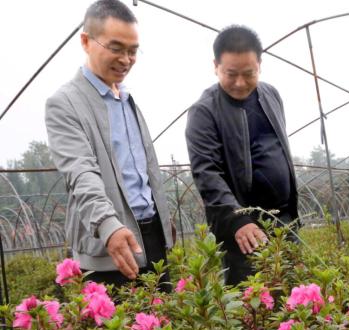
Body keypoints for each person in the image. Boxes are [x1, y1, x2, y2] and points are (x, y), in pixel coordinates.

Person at [45, 0, 173, 291]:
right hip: (110, 243)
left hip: (150, 235)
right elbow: (81, 172)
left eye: (132, 50)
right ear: (86, 41)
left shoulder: (127, 99)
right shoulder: (64, 104)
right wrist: (108, 224)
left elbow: (144, 170)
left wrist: (163, 222)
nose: (126, 59)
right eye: (116, 48)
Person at [186, 25, 299, 286]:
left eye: (249, 74)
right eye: (231, 74)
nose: (240, 83)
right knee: (255, 305)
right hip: (244, 230)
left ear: (259, 64)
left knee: (295, 299)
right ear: (216, 66)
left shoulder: (270, 95)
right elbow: (207, 174)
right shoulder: (204, 112)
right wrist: (239, 220)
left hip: (284, 220)